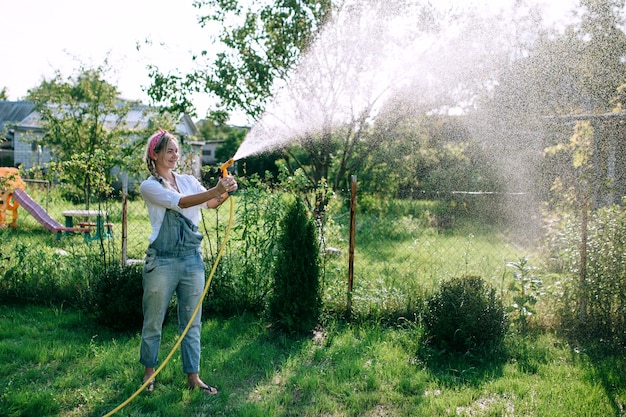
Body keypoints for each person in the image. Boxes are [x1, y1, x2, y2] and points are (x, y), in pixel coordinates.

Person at [139, 128, 237, 395]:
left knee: (192, 322)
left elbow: (211, 202)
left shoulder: (189, 180)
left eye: (176, 150)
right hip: (162, 262)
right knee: (154, 320)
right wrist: (215, 190)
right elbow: (181, 203)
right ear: (155, 154)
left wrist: (225, 189)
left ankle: (193, 377)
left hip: (192, 260)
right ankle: (149, 374)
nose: (174, 155)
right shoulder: (149, 186)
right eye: (169, 150)